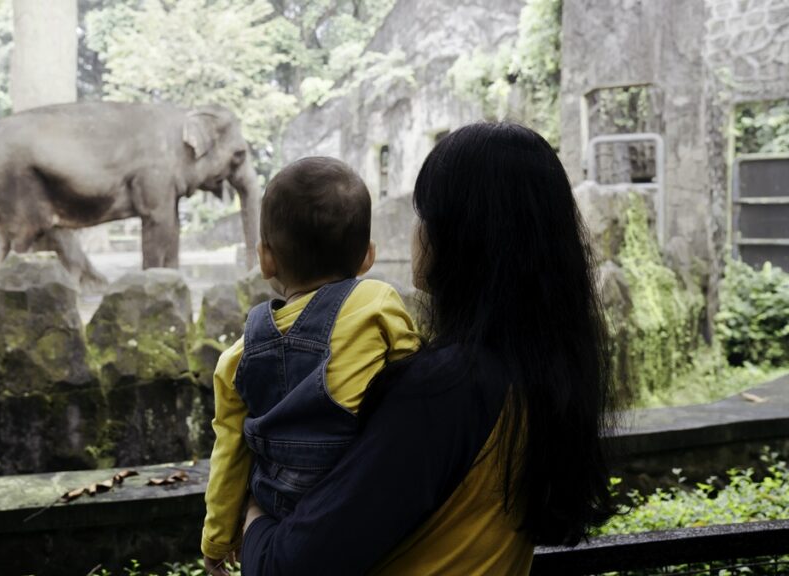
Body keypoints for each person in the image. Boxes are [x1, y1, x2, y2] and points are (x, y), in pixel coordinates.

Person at [240, 123, 618, 575]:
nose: (416, 229)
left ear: (459, 236)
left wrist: (252, 513)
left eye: (424, 214)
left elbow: (285, 566)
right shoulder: (546, 373)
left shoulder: (446, 389)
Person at [201, 157, 423, 574]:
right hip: (358, 492)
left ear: (265, 260)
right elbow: (413, 379)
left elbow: (229, 452)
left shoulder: (237, 356)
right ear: (368, 256)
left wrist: (217, 537)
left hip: (278, 511)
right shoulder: (379, 304)